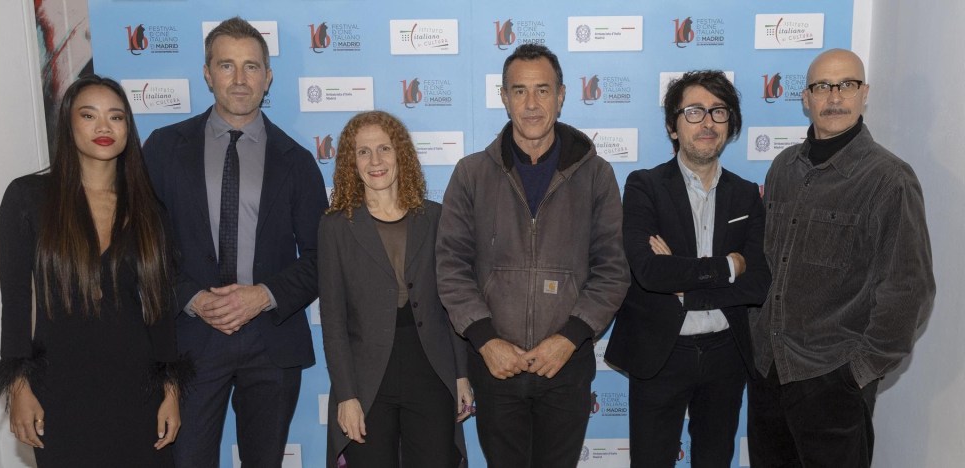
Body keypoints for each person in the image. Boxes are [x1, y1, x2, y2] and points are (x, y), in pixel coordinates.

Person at [142, 17, 328, 467]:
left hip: (271, 340)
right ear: (208, 74)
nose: (240, 79)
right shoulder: (164, 149)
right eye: (227, 65)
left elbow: (322, 257)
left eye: (251, 66)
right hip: (188, 340)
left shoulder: (297, 161)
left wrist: (262, 296)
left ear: (268, 77)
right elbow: (143, 248)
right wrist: (192, 298)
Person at [435, 43, 629, 467]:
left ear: (561, 96)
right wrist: (486, 341)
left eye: (543, 90)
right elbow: (451, 267)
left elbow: (613, 270)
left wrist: (570, 338)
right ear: (504, 98)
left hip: (565, 365)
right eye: (519, 91)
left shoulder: (596, 175)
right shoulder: (471, 174)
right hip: (495, 365)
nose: (531, 103)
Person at [748, 48, 936, 467]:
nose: (834, 97)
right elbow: (767, 264)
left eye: (846, 85)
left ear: (864, 93)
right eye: (822, 87)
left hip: (832, 384)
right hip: (768, 374)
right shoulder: (782, 168)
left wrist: (857, 374)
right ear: (806, 98)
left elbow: (909, 291)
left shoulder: (889, 179)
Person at [0, 75, 189, 467]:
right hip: (59, 391)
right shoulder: (28, 199)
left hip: (137, 392)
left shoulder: (150, 212)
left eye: (116, 117)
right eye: (89, 115)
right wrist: (18, 387)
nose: (104, 126)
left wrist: (170, 391)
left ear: (127, 129)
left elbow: (160, 310)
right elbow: (15, 302)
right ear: (68, 123)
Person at [603, 70, 770, 467]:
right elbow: (648, 271)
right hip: (660, 352)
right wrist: (728, 266)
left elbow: (758, 282)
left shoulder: (747, 194)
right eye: (694, 111)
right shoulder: (644, 186)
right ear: (672, 126)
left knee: (715, 460)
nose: (707, 122)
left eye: (718, 111)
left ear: (730, 124)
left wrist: (685, 286)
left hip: (726, 354)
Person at [318, 110, 473, 468]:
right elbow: (333, 321)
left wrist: (461, 374)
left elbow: (452, 303)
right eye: (363, 151)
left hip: (431, 370)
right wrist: (346, 395)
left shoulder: (435, 217)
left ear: (400, 154)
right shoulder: (335, 227)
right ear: (351, 162)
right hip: (367, 380)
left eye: (384, 149)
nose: (375, 161)